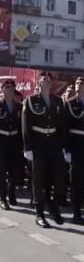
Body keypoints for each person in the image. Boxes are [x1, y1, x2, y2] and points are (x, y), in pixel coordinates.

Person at [22, 72, 66, 228]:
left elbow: (61, 126)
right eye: (43, 80)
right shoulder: (31, 100)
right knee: (38, 180)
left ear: (51, 83)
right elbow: (26, 125)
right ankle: (39, 213)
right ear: (38, 83)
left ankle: (54, 206)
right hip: (38, 143)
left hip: (54, 143)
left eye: (48, 80)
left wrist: (64, 147)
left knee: (59, 178)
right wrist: (27, 147)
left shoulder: (58, 101)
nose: (46, 82)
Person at [63, 76, 84, 225]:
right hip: (75, 145)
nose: (78, 85)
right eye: (76, 82)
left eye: (81, 83)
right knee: (76, 180)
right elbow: (63, 128)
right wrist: (66, 150)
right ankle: (76, 212)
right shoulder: (69, 104)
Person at [0, 79, 22, 210]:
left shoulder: (19, 106)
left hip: (14, 140)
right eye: (7, 87)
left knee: (14, 171)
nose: (9, 89)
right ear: (2, 89)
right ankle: (3, 198)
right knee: (2, 171)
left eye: (12, 87)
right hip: (1, 140)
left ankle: (11, 193)